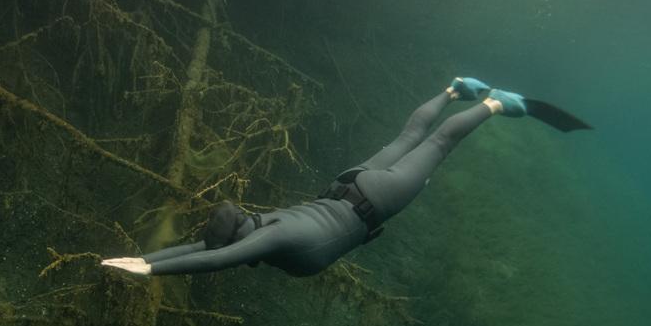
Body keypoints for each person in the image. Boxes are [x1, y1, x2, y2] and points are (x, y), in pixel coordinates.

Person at [101, 78, 556, 277]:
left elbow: (213, 259)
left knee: (436, 144)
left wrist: (151, 272)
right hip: (347, 184)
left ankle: (496, 103)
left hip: (372, 199)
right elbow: (207, 249)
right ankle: (457, 89)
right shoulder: (254, 225)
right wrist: (147, 261)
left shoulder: (264, 241)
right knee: (413, 133)